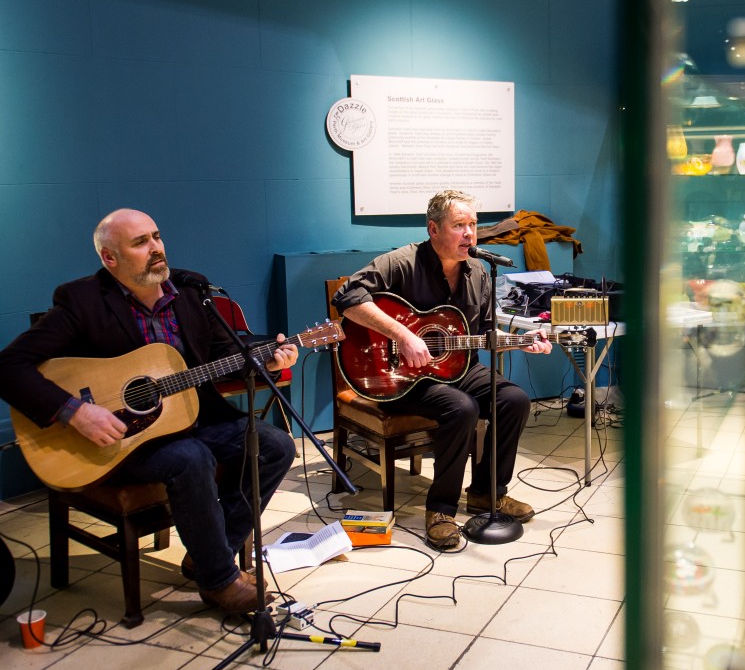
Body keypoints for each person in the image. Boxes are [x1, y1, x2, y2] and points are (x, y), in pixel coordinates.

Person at [0, 208, 298, 614]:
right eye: (140, 242)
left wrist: (268, 359)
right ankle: (219, 582)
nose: (156, 248)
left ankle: (211, 553)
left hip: (187, 422)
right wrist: (75, 412)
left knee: (276, 444)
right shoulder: (82, 301)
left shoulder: (190, 292)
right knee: (192, 458)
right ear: (110, 258)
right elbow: (8, 367)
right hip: (120, 441)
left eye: (156, 237)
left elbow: (226, 353)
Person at [333, 189, 553, 550]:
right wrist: (402, 334)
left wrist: (525, 341)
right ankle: (440, 510)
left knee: (514, 399)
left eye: (473, 225)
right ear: (433, 229)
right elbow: (347, 298)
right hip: (397, 378)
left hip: (458, 367)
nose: (469, 234)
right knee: (460, 408)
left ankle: (487, 494)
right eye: (459, 226)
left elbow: (483, 334)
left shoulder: (479, 272)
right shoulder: (402, 262)